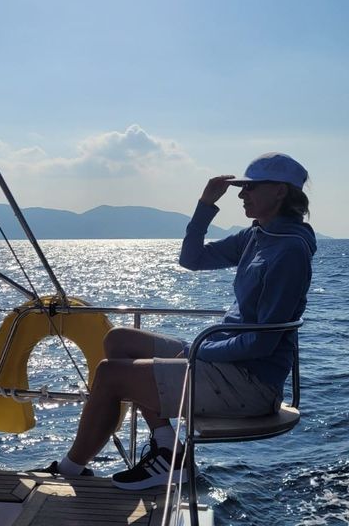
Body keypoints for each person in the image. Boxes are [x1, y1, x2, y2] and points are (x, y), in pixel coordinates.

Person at [41, 152, 317, 490]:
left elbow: (262, 343)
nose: (242, 195)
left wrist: (195, 353)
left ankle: (71, 470)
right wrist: (205, 204)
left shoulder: (290, 250)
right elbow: (191, 258)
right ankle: (170, 450)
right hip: (222, 360)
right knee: (119, 341)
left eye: (251, 187)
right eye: (242, 187)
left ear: (280, 192)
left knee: (111, 375)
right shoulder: (256, 236)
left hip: (250, 383)